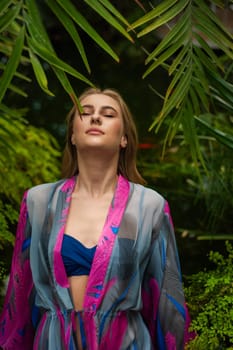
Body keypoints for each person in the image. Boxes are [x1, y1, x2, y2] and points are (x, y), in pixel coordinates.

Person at [0, 87, 193, 349]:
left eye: (108, 114)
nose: (95, 118)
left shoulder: (149, 206)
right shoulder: (38, 202)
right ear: (72, 135)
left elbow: (166, 304)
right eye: (86, 112)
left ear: (124, 138)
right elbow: (20, 302)